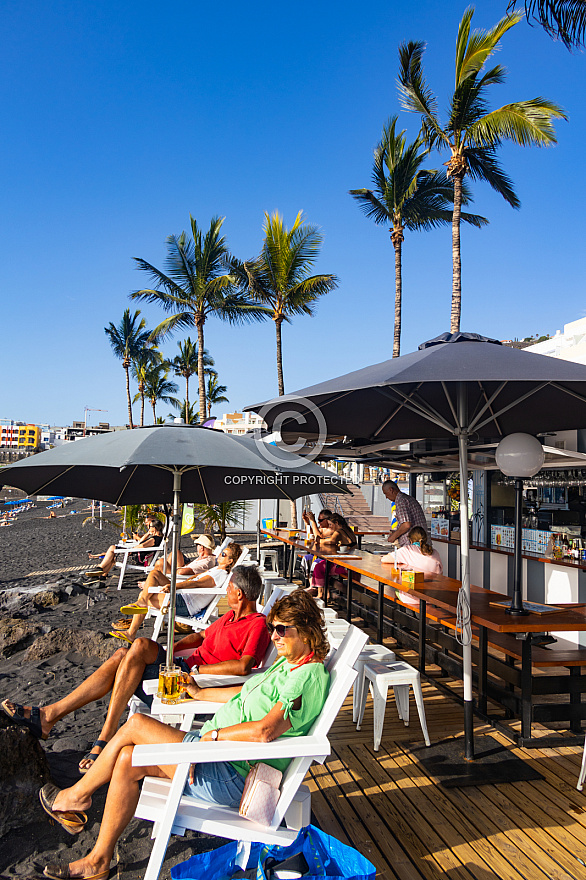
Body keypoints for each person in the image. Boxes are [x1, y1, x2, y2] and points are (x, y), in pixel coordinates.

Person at [37, 590, 330, 880]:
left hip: (231, 770)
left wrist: (213, 737)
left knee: (137, 723)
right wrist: (200, 693)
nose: (274, 636)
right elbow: (245, 692)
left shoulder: (307, 677)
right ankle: (98, 861)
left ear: (305, 632)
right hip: (217, 755)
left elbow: (266, 730)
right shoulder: (289, 663)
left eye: (281, 630)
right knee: (127, 758)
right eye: (272, 628)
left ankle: (75, 797)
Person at [1, 563, 270, 773]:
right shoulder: (229, 616)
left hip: (192, 684)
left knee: (137, 647)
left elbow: (244, 665)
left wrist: (199, 673)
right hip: (180, 667)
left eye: (229, 587)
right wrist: (172, 650)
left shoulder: (256, 624)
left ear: (239, 593)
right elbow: (199, 637)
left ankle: (100, 736)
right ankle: (50, 716)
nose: (226, 591)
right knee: (123, 653)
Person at [113, 541, 240, 642]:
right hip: (183, 595)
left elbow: (196, 583)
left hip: (185, 604)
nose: (219, 555)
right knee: (155, 574)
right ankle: (141, 604)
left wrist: (174, 587)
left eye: (223, 555)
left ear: (230, 561)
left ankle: (132, 631)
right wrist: (174, 584)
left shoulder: (220, 574)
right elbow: (194, 578)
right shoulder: (216, 568)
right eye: (221, 553)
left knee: (145, 594)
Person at [84, 519, 164, 582]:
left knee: (112, 549)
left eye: (150, 526)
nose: (148, 528)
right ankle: (101, 575)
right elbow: (141, 542)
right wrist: (148, 533)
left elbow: (142, 545)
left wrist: (131, 550)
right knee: (112, 555)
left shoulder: (154, 539)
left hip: (136, 559)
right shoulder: (156, 538)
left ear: (155, 528)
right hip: (138, 558)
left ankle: (100, 569)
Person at [381, 526, 443, 606]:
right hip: (432, 596)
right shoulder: (435, 552)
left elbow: (384, 559)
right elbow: (441, 572)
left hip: (412, 598)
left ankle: (406, 614)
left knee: (394, 588)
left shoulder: (407, 550)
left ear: (410, 540)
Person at [302, 510, 357, 599]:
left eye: (331, 524)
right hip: (349, 563)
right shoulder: (348, 530)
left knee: (319, 566)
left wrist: (319, 540)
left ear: (337, 523)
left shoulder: (339, 532)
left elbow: (331, 541)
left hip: (345, 566)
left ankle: (321, 594)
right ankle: (319, 590)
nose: (330, 527)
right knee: (313, 561)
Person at [382, 480, 427, 547]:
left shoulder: (401, 501)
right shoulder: (408, 499)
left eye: (386, 493)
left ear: (391, 490)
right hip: (422, 544)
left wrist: (394, 536)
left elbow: (406, 524)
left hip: (412, 546)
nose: (386, 497)